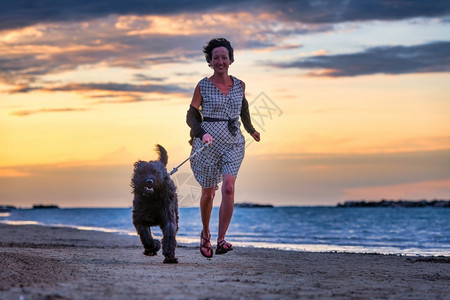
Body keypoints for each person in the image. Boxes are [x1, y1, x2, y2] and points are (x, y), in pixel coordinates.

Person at [186, 38, 260, 258]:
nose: (220, 61)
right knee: (208, 195)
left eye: (224, 57)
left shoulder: (240, 85)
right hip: (207, 144)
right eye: (215, 57)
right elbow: (190, 115)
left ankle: (221, 240)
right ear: (210, 61)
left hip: (233, 142)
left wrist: (250, 129)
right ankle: (205, 234)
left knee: (228, 188)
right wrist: (201, 133)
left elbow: (243, 107)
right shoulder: (203, 85)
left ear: (230, 60)